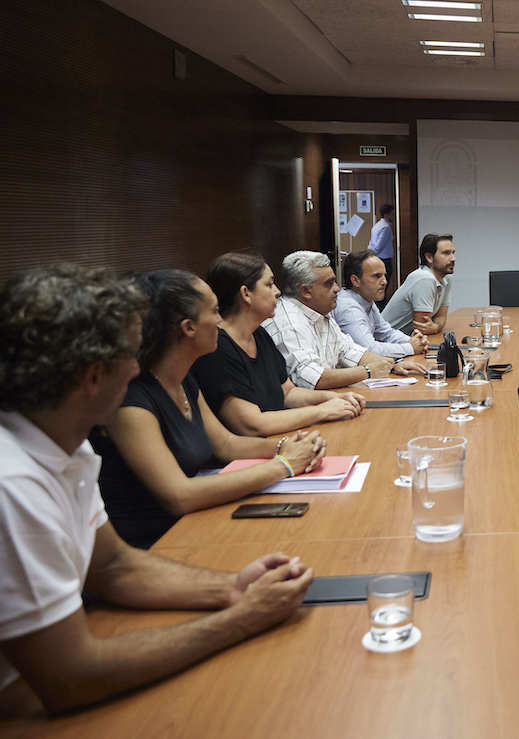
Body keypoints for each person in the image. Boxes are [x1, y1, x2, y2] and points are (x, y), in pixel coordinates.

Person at [0, 264, 313, 715]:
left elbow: (114, 567)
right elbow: (69, 678)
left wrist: (235, 588)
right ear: (91, 378)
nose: (135, 367)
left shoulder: (69, 450)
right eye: (128, 356)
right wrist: (240, 619)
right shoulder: (14, 485)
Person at [90, 269, 326, 549]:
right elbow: (179, 495)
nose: (220, 320)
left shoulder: (183, 377)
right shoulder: (131, 398)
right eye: (214, 312)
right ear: (188, 327)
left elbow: (225, 444)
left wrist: (287, 446)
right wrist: (284, 465)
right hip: (159, 544)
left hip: (200, 523)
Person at [193, 252, 366, 437]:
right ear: (246, 294)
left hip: (278, 439)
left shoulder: (258, 334)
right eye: (269, 284)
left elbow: (288, 393)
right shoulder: (217, 347)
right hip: (247, 456)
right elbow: (252, 425)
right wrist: (322, 410)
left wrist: (333, 398)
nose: (277, 291)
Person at [265, 251, 424, 390]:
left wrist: (391, 365)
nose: (337, 289)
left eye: (335, 281)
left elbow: (351, 351)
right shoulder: (290, 322)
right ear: (306, 291)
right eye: (329, 284)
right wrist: (368, 371)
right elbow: (311, 378)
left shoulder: (321, 314)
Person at [331, 249, 429, 359]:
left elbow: (387, 333)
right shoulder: (348, 307)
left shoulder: (366, 299)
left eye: (384, 275)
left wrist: (414, 341)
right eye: (377, 276)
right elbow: (369, 350)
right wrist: (410, 347)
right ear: (355, 280)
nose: (384, 282)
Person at [383, 233, 455, 336]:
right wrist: (435, 328)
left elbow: (441, 317)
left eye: (453, 253)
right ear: (429, 257)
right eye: (446, 253)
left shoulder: (446, 278)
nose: (453, 259)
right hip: (386, 343)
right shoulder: (424, 279)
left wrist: (436, 327)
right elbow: (422, 330)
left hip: (406, 340)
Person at [369, 204, 396, 288]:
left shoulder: (377, 225)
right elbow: (378, 246)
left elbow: (372, 244)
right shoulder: (386, 227)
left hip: (377, 258)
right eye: (392, 214)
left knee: (378, 285)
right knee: (382, 286)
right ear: (386, 214)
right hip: (384, 261)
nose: (394, 216)